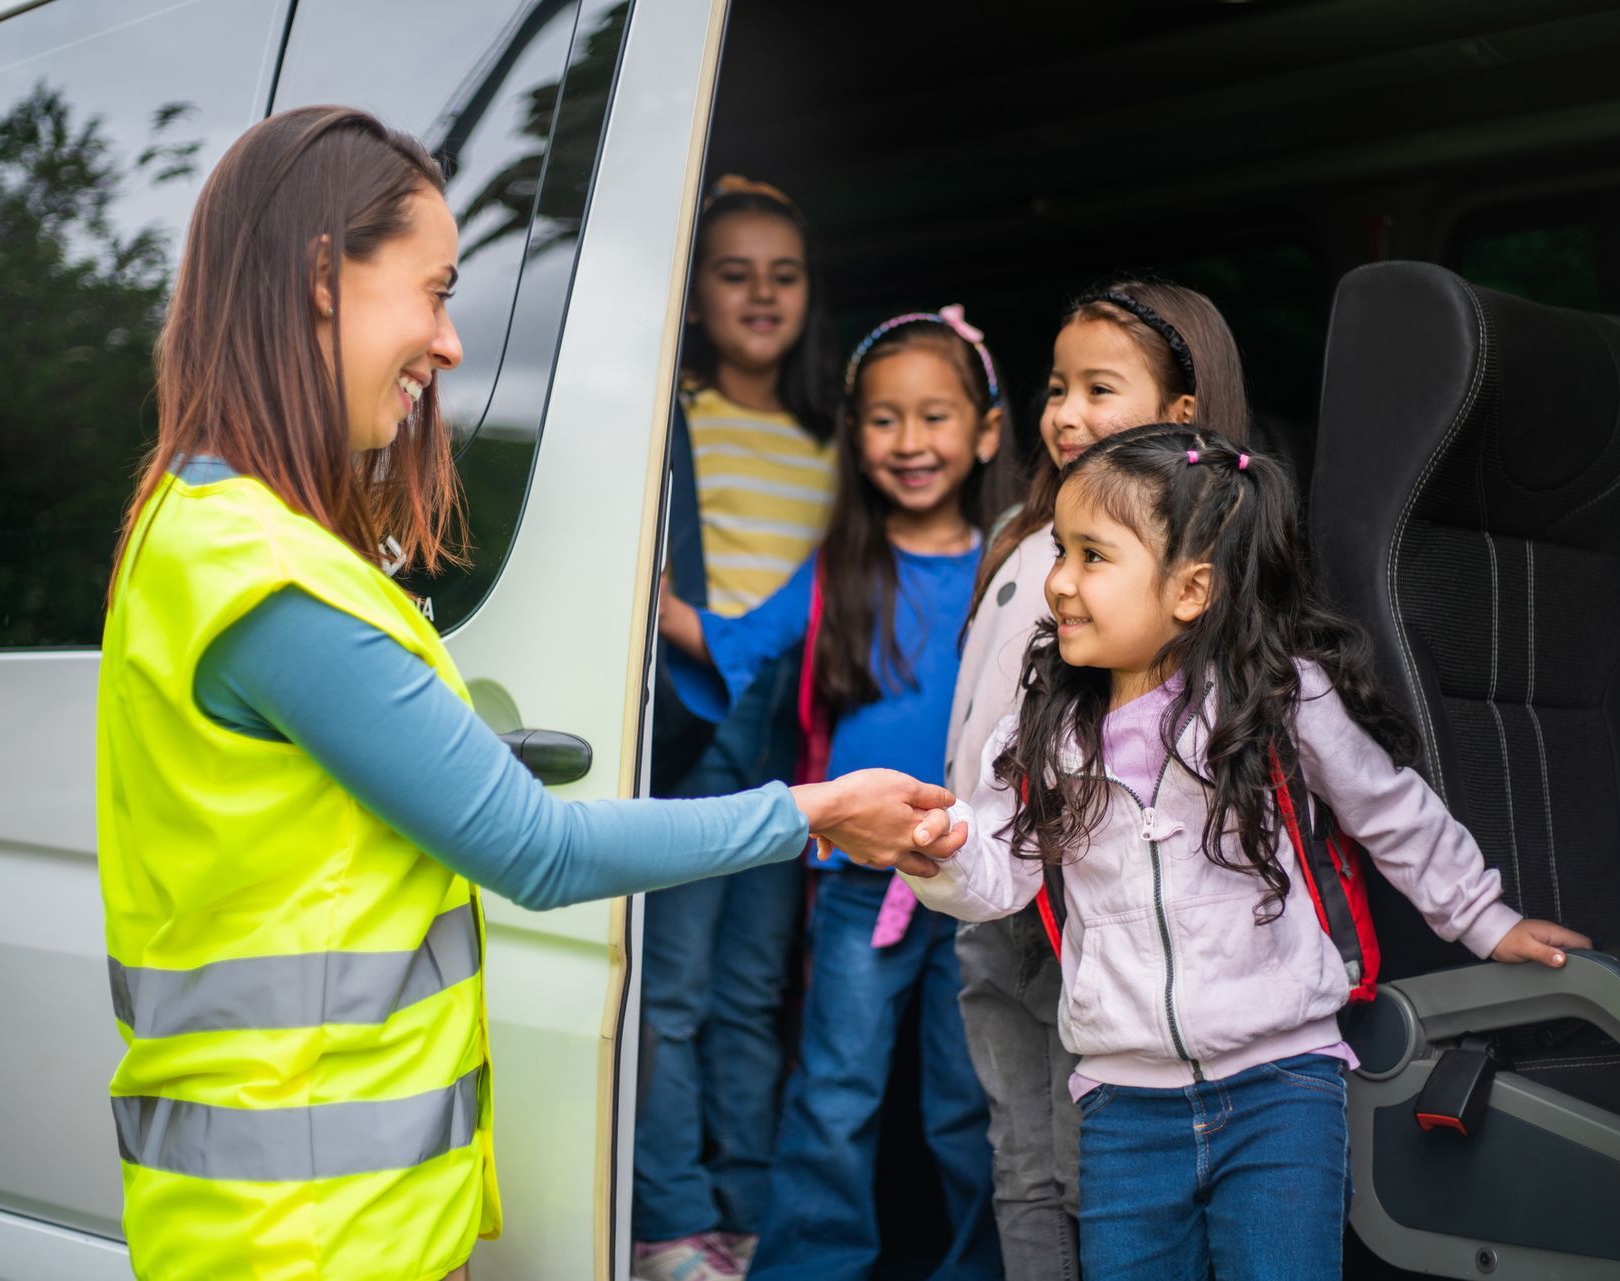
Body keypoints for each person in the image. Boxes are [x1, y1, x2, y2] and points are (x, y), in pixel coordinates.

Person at [93, 106, 963, 1281]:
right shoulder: (266, 574)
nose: (451, 343)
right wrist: (813, 811)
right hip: (309, 1238)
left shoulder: (215, 533)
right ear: (320, 281)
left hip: (324, 1223)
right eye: (436, 290)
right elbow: (535, 851)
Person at [906, 425, 1591, 1281]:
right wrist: (931, 854)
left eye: (1092, 556)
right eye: (1060, 552)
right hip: (1123, 1107)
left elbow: (1390, 812)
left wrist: (1486, 919)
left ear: (1191, 589)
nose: (1060, 582)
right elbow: (997, 876)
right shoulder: (1045, 728)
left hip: (1282, 1087)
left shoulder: (1276, 699)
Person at [658, 307, 1011, 1280]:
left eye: (935, 417)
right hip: (862, 880)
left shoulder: (1017, 569)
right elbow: (738, 644)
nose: (910, 443)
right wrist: (649, 599)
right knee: (836, 1089)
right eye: (885, 419)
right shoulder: (839, 569)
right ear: (854, 436)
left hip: (982, 886)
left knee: (967, 1100)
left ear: (985, 432)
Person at [946, 283, 1250, 1281]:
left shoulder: (1156, 568)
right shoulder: (1028, 540)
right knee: (1020, 1156)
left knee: (1080, 1160)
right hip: (986, 885)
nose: (1066, 414)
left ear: (1182, 417)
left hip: (1070, 893)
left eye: (1100, 390)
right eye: (1056, 388)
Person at [635, 174, 840, 1281]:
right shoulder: (673, 419)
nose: (761, 294)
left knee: (755, 987)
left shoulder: (832, 437)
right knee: (672, 987)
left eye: (784, 275)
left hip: (791, 730)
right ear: (696, 292)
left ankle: (747, 1209)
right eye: (734, 273)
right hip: (696, 713)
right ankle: (670, 1215)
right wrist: (686, 625)